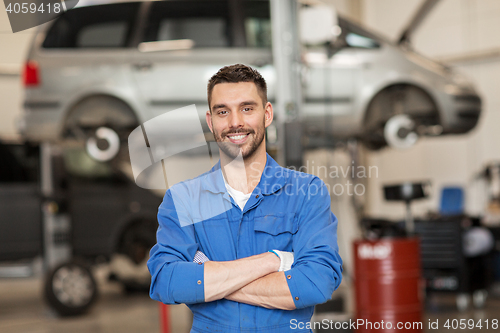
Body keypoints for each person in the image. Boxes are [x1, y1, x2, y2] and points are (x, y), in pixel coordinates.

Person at [147, 64, 342, 333]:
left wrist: (209, 277)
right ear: (210, 120)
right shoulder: (183, 199)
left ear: (267, 114)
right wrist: (273, 261)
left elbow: (315, 283)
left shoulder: (307, 192)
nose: (235, 122)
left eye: (247, 108)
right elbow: (167, 282)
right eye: (223, 111)